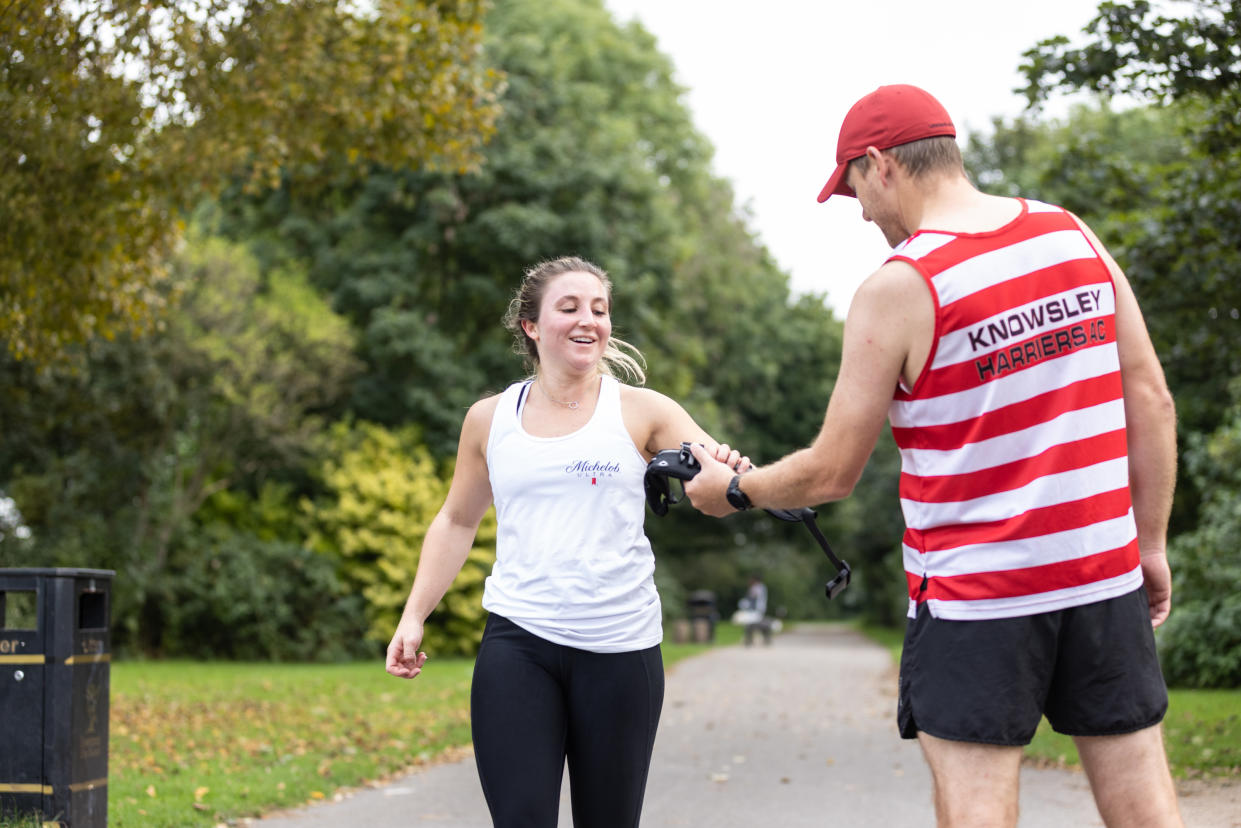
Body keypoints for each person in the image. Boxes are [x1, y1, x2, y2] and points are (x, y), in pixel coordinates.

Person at [683, 85, 1181, 827]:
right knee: (1145, 811)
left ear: (881, 164)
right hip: (1101, 576)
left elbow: (832, 470)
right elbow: (1149, 396)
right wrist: (1149, 543)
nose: (858, 209)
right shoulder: (1067, 234)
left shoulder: (901, 286)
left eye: (852, 186)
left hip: (977, 601)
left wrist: (732, 489)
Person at [385, 256, 748, 828]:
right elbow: (457, 520)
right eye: (571, 307)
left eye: (600, 310)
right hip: (519, 642)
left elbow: (720, 496)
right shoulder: (489, 419)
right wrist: (413, 615)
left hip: (621, 650)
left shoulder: (644, 411)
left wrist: (729, 480)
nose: (590, 321)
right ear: (531, 326)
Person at [736, 574, 771, 646]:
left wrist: (745, 604)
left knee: (751, 624)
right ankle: (757, 639)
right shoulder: (762, 587)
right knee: (753, 624)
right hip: (758, 609)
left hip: (755, 609)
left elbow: (753, 598)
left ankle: (749, 640)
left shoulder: (757, 588)